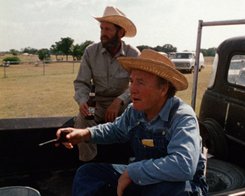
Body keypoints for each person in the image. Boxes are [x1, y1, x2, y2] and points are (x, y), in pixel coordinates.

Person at [57, 49, 208, 196]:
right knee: (87, 174)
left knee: (171, 191)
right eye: (131, 81)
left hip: (179, 183)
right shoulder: (135, 110)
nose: (132, 89)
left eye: (140, 82)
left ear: (163, 89)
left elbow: (184, 166)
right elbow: (116, 130)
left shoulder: (182, 117)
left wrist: (133, 172)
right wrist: (85, 133)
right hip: (142, 176)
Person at [73, 6, 140, 161]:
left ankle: (135, 162)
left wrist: (119, 100)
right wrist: (83, 101)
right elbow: (81, 82)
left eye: (108, 29)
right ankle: (88, 163)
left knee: (140, 119)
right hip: (97, 103)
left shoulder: (133, 54)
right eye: (102, 28)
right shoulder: (91, 51)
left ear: (121, 33)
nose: (103, 33)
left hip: (124, 103)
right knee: (82, 120)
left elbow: (137, 85)